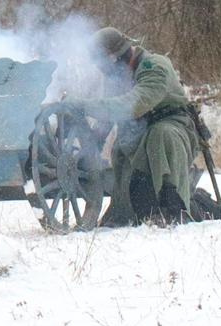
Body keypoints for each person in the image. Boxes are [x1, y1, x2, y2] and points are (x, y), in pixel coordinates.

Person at [85, 28, 200, 226]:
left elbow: (134, 104)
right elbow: (107, 119)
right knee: (121, 148)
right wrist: (91, 145)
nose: (101, 69)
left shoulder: (154, 66)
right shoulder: (115, 78)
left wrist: (84, 106)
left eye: (102, 63)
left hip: (174, 127)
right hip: (138, 134)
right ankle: (129, 212)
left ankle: (172, 209)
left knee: (160, 134)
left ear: (115, 57)